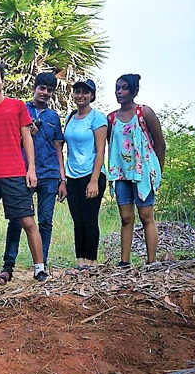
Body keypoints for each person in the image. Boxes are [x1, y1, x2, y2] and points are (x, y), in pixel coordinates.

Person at [0, 62, 47, 289]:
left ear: (2, 81)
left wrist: (31, 169)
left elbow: (27, 139)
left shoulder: (17, 107)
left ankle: (40, 269)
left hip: (15, 173)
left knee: (27, 221)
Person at [0, 73, 64, 278]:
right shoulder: (21, 109)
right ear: (35, 88)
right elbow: (11, 139)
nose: (45, 93)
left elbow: (58, 148)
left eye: (49, 90)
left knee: (45, 220)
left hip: (49, 174)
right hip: (23, 171)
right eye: (42, 88)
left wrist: (62, 179)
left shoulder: (53, 117)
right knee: (17, 219)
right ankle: (8, 264)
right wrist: (27, 134)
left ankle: (41, 266)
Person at [107, 74, 166, 266]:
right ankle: (124, 261)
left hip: (142, 174)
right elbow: (111, 144)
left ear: (133, 91)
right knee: (126, 218)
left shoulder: (144, 112)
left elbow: (160, 144)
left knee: (146, 216)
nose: (120, 92)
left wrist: (157, 172)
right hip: (121, 174)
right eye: (117, 88)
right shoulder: (112, 118)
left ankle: (151, 261)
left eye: (124, 88)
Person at [63, 79, 107, 269]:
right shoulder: (70, 117)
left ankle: (91, 262)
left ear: (92, 96)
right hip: (72, 176)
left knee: (89, 220)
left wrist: (94, 180)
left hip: (92, 174)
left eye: (85, 92)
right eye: (77, 91)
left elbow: (100, 150)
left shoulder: (97, 118)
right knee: (77, 220)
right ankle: (79, 261)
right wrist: (63, 179)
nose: (81, 95)